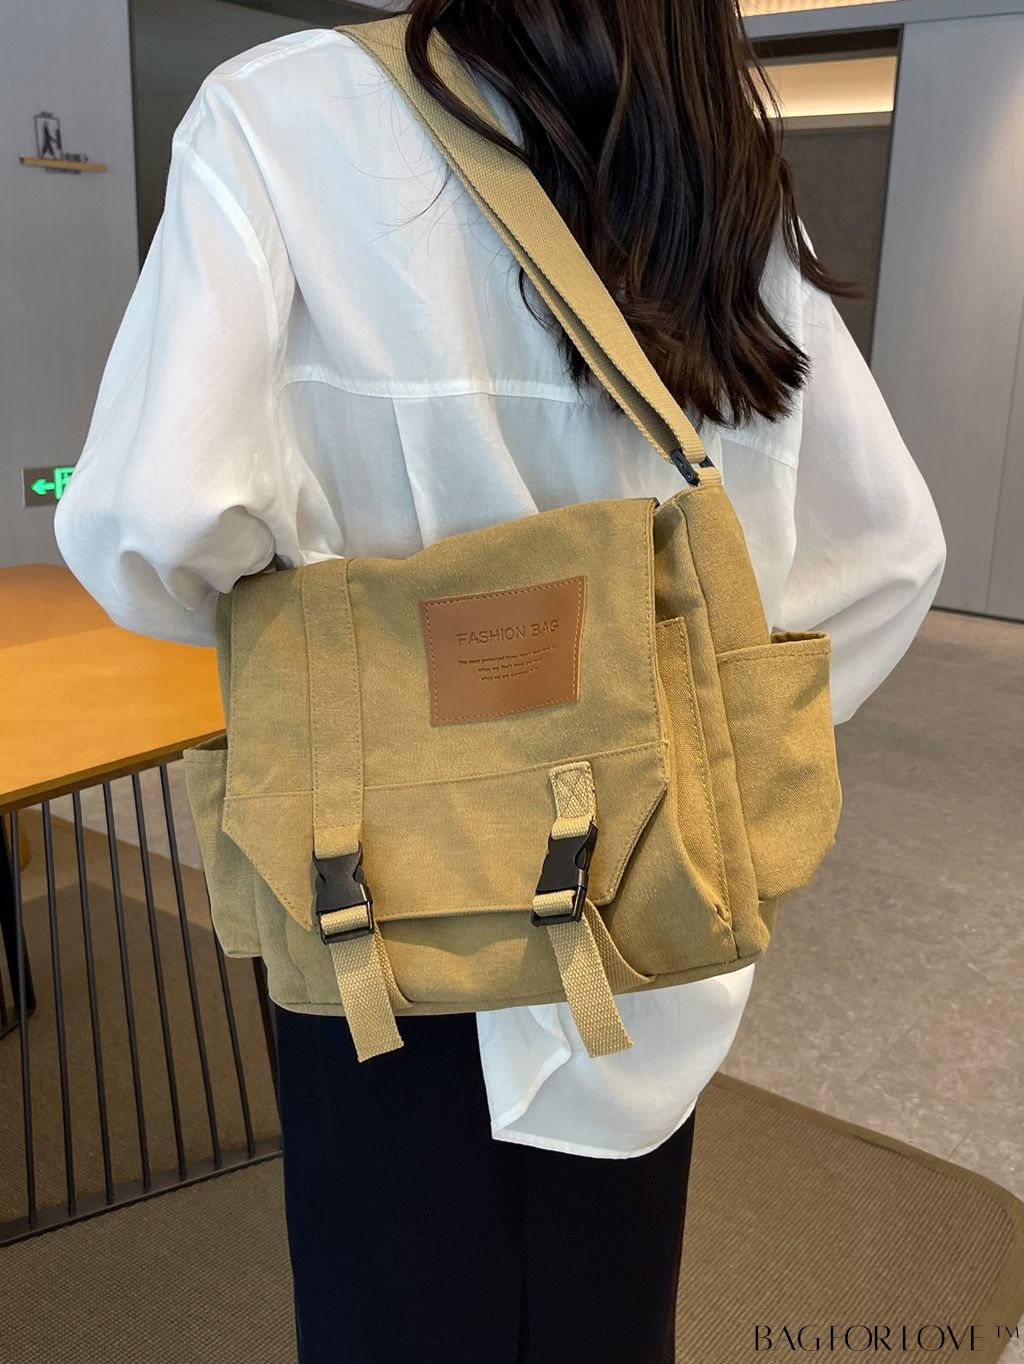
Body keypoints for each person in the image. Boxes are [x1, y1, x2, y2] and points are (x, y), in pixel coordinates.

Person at [53, 2, 946, 1360]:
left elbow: (149, 521)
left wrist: (337, 645)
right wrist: (691, 750)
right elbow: (889, 554)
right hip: (650, 917)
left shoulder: (280, 115)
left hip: (374, 892)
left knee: (391, 1311)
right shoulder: (714, 170)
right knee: (607, 1312)